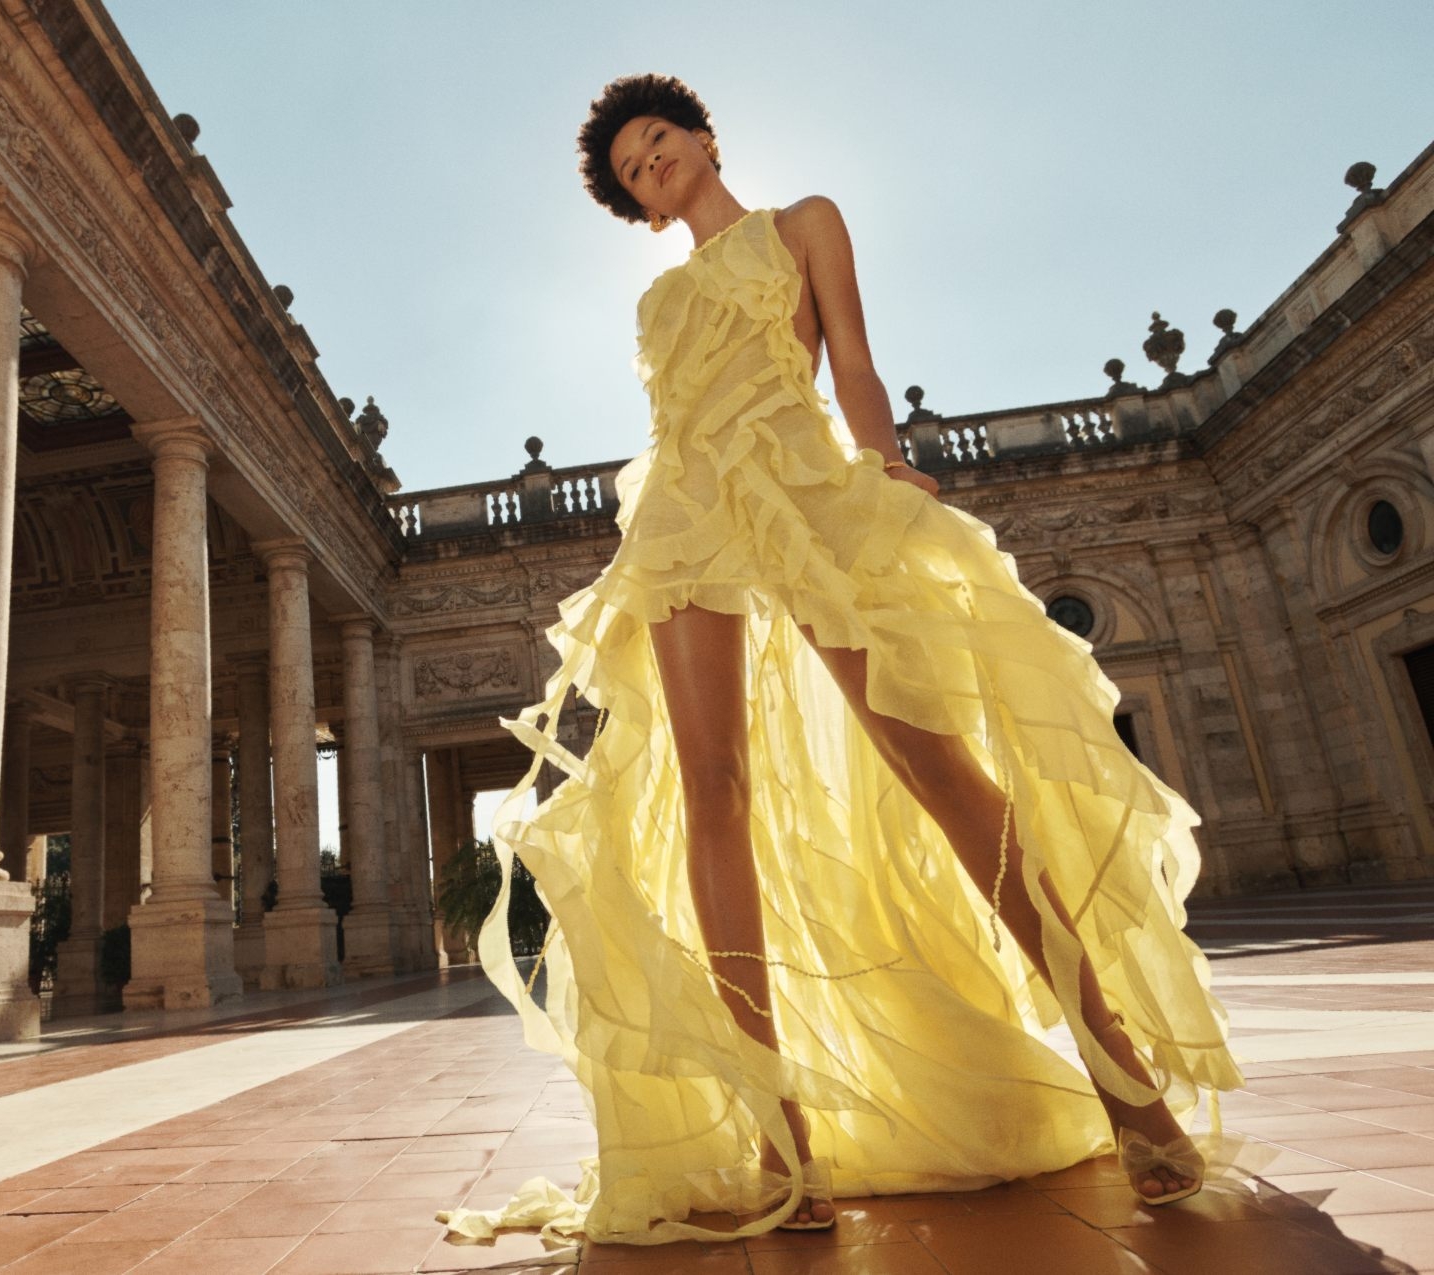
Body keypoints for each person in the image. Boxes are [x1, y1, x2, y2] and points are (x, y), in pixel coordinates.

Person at [436, 73, 1269, 1248]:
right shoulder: (656, 302)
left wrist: (881, 469)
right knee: (709, 795)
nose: (649, 168)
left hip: (803, 493)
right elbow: (674, 427)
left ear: (702, 136)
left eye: (656, 143)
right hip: (683, 519)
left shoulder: (805, 223)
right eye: (629, 171)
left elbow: (853, 364)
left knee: (940, 776)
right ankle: (781, 1144)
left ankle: (1124, 1088)